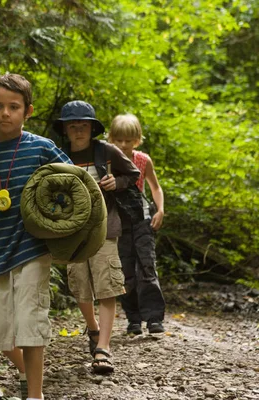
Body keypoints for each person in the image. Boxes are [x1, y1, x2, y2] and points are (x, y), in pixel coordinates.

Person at [0, 73, 71, 400]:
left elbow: (74, 186)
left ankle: (35, 395)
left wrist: (59, 218)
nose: (6, 113)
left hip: (31, 249)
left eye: (14, 107)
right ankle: (22, 370)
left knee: (31, 325)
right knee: (1, 333)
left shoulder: (42, 148)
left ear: (28, 111)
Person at [52, 100, 140, 374]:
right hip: (71, 231)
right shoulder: (57, 155)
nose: (79, 131)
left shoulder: (107, 151)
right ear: (65, 129)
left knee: (107, 286)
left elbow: (133, 174)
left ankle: (103, 348)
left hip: (105, 228)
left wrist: (118, 183)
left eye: (84, 126)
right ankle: (93, 328)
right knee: (80, 286)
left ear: (92, 128)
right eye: (73, 126)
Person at [108, 113, 166, 335]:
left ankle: (153, 319)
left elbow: (155, 187)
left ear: (137, 140)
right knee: (125, 270)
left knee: (147, 266)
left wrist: (160, 210)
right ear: (111, 139)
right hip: (118, 222)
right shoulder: (108, 161)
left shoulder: (143, 160)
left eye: (128, 140)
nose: (123, 145)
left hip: (142, 219)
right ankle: (133, 319)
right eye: (119, 140)